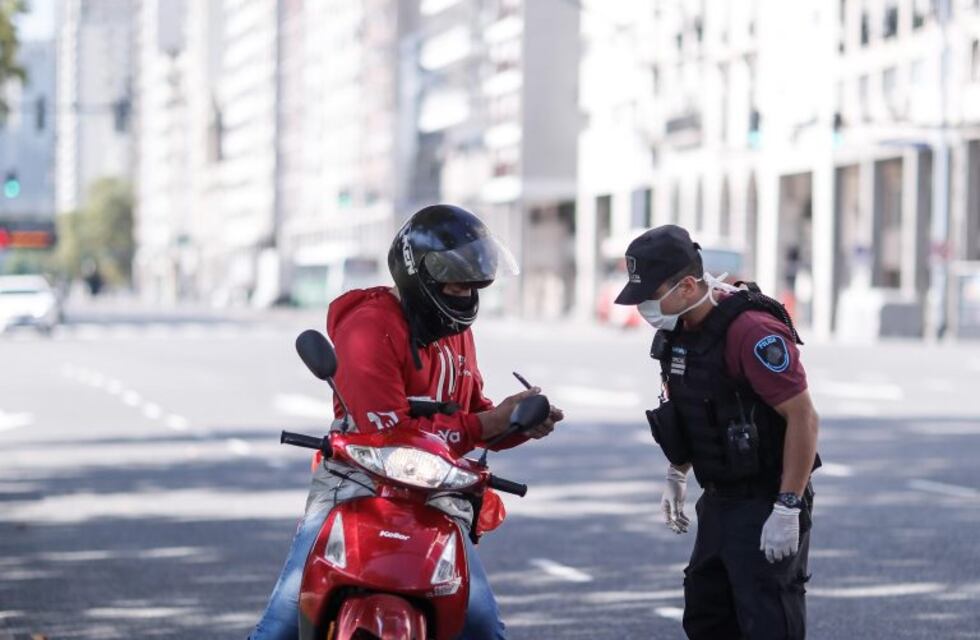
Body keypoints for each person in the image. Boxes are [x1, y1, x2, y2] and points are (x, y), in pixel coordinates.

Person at [249, 204, 563, 640]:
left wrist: (518, 423)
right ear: (421, 275)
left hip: (436, 494)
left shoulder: (457, 332)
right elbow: (388, 432)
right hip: (357, 485)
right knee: (283, 623)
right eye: (456, 278)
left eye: (473, 281)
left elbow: (470, 416)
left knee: (482, 626)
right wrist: (491, 422)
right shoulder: (369, 325)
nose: (467, 290)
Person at [615, 225, 820, 640]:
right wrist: (677, 472)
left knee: (768, 620)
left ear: (688, 286)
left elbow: (803, 417)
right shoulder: (680, 331)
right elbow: (699, 408)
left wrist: (786, 506)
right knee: (707, 618)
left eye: (651, 297)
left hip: (766, 497)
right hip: (720, 498)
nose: (644, 309)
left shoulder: (751, 332)